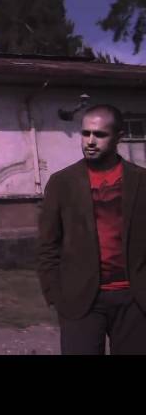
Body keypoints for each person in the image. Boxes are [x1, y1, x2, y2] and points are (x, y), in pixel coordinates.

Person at [37, 104, 146, 354]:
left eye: (100, 134)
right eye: (86, 133)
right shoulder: (63, 182)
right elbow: (47, 244)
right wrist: (55, 294)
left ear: (118, 137)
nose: (90, 141)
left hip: (135, 299)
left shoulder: (141, 181)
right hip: (80, 299)